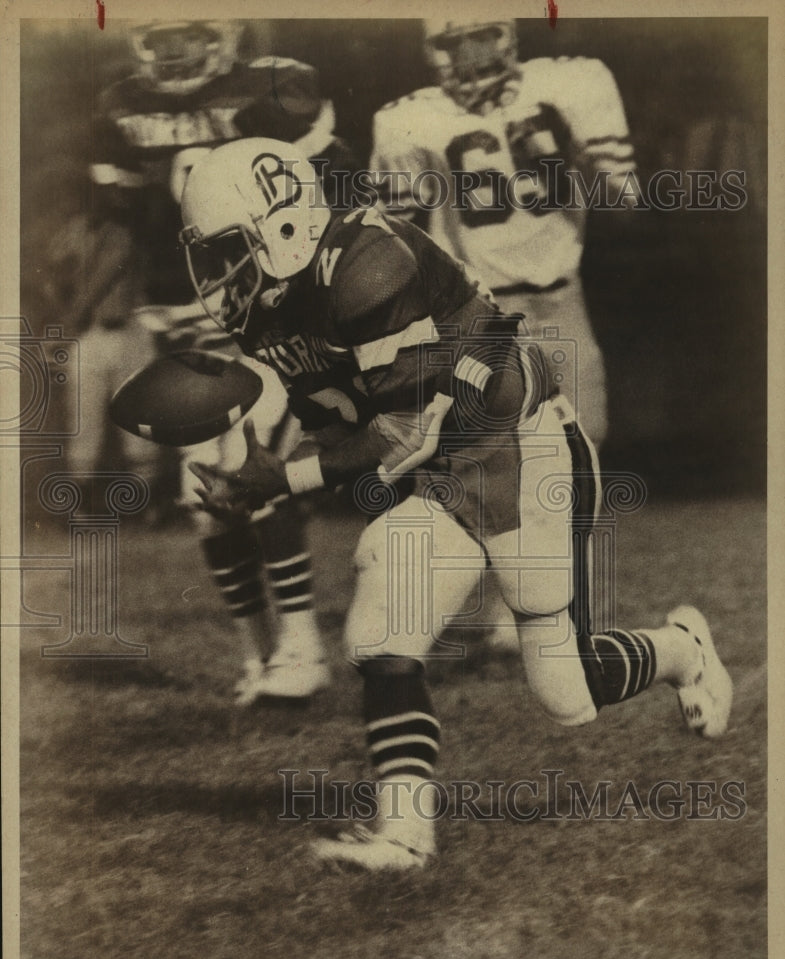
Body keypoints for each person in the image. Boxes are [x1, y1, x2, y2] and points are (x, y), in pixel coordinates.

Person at [180, 137, 733, 871]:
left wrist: (279, 479)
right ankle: (405, 836)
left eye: (227, 251)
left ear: (281, 224)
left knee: (566, 695)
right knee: (380, 636)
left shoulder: (368, 264)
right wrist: (288, 468)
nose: (220, 276)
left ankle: (680, 650)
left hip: (523, 448)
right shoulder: (276, 305)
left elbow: (402, 430)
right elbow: (345, 428)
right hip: (440, 472)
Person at [87, 20, 360, 702]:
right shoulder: (121, 106)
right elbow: (127, 221)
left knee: (252, 473)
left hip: (266, 315)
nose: (173, 50)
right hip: (183, 326)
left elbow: (336, 184)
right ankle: (259, 657)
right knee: (207, 505)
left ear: (224, 34)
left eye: (188, 34)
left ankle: (302, 650)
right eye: (160, 37)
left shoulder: (272, 87)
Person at [370, 19, 639, 450]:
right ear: (431, 50)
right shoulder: (408, 117)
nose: (470, 55)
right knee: (499, 454)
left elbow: (625, 197)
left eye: (481, 37)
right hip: (482, 308)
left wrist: (587, 148)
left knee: (586, 441)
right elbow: (387, 234)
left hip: (563, 298)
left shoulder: (568, 83)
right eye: (452, 42)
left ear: (509, 34)